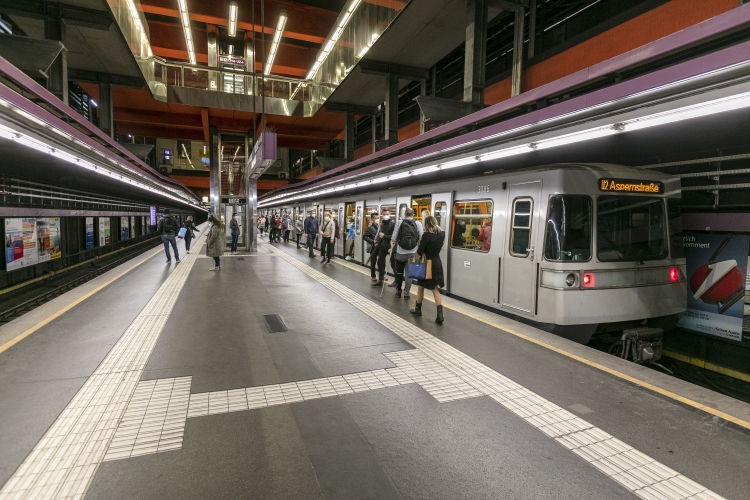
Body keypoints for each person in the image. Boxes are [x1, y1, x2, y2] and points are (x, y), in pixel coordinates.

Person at [410, 215, 446, 323]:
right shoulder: (442, 234)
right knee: (435, 289)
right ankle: (440, 315)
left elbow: (420, 251)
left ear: (426, 224)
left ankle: (418, 309)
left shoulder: (426, 235)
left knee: (420, 286)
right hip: (436, 263)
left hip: (426, 265)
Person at [390, 207, 423, 299]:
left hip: (400, 253)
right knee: (409, 274)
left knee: (399, 272)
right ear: (413, 215)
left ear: (405, 214)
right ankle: (406, 293)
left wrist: (391, 247)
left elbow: (393, 238)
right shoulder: (418, 223)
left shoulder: (399, 222)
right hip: (412, 253)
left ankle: (398, 291)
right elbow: (422, 238)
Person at [371, 209, 395, 286]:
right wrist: (377, 241)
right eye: (384, 214)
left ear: (389, 214)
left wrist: (385, 236)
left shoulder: (393, 223)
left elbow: (395, 236)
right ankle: (381, 279)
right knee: (380, 262)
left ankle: (397, 281)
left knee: (393, 264)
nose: (385, 216)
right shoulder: (382, 224)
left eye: (387, 214)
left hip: (390, 246)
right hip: (383, 245)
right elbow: (380, 234)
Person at [363, 213, 379, 281]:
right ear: (372, 219)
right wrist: (373, 241)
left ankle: (381, 276)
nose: (377, 220)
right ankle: (373, 276)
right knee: (373, 262)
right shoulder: (370, 228)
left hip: (380, 247)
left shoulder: (380, 227)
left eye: (378, 218)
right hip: (373, 247)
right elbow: (364, 236)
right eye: (376, 218)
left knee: (381, 262)